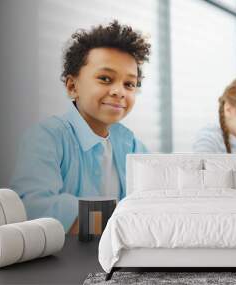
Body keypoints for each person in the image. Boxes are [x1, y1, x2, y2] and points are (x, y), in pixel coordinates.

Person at [10, 21, 150, 233]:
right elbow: (31, 208)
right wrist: (123, 224)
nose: (119, 91)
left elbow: (157, 201)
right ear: (72, 86)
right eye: (105, 78)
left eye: (129, 84)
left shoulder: (131, 144)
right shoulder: (47, 137)